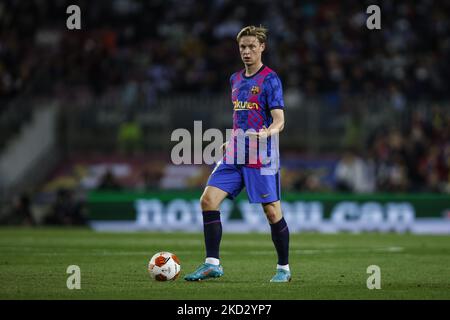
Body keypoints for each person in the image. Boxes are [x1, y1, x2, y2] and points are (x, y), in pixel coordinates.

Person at [184, 26, 290, 282]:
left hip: (261, 155)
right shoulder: (235, 79)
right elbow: (242, 114)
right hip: (235, 152)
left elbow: (280, 120)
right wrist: (231, 140)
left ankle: (283, 269)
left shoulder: (270, 79)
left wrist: (266, 133)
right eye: (243, 46)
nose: (247, 51)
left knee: (272, 212)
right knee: (208, 201)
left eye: (252, 46)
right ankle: (212, 263)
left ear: (262, 47)